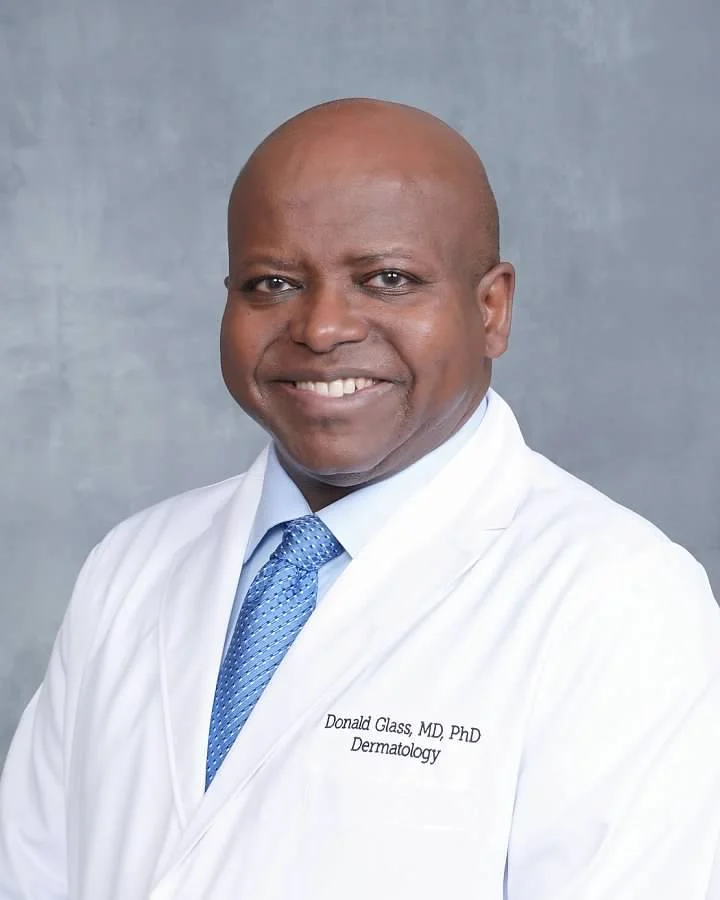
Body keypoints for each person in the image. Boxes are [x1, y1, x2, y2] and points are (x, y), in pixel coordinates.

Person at [1, 98, 719, 900]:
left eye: (388, 279)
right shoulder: (131, 566)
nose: (321, 328)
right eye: (273, 283)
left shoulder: (618, 599)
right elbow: (30, 874)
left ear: (491, 309)